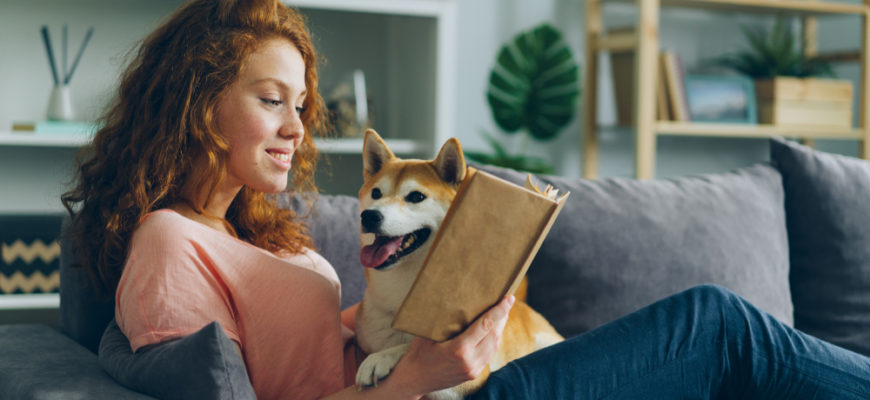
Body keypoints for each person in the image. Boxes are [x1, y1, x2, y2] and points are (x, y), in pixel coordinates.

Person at [61, 0, 869, 399]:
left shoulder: (243, 229)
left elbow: (307, 352)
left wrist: (449, 296)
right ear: (201, 105)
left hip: (440, 376)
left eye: (301, 104)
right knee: (716, 325)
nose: (296, 125)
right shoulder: (170, 244)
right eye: (272, 99)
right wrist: (415, 375)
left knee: (718, 347)